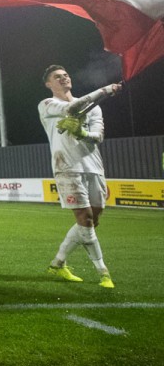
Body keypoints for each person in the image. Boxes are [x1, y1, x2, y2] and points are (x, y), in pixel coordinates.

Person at [40, 65, 122, 288]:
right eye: (57, 77)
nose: (64, 78)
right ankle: (103, 272)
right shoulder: (47, 105)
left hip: (94, 167)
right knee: (84, 220)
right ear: (49, 84)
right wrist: (104, 91)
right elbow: (72, 108)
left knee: (93, 221)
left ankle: (58, 263)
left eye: (66, 75)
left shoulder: (93, 109)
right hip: (67, 166)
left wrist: (81, 133)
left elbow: (99, 137)